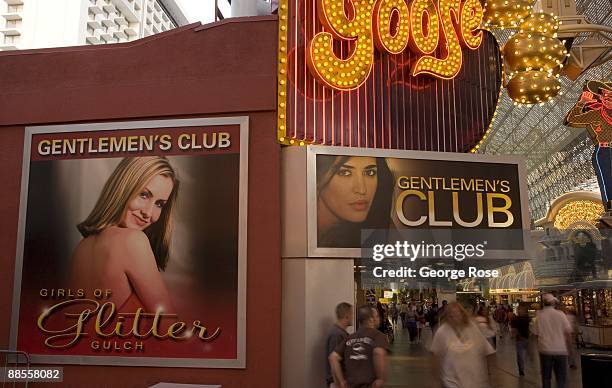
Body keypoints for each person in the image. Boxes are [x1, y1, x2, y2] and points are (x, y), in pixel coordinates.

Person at [71, 156, 179, 313]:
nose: (148, 213)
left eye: (159, 204)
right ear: (123, 188)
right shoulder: (133, 241)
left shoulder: (82, 247)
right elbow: (169, 328)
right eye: (144, 195)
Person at [316, 155, 394, 248]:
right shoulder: (297, 231)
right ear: (317, 178)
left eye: (370, 172)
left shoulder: (384, 232)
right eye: (345, 173)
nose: (362, 189)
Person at [431, 302, 495, 388]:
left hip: (475, 381)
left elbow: (486, 350)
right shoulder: (442, 332)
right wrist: (436, 380)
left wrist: (491, 376)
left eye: (456, 314)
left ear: (462, 314)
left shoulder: (472, 328)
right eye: (451, 315)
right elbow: (436, 355)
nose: (454, 317)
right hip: (451, 382)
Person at [329, 305, 390, 388]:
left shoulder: (349, 338)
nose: (379, 318)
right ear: (371, 319)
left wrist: (341, 382)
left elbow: (333, 358)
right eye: (377, 316)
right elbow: (378, 353)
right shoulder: (378, 336)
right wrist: (380, 378)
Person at [531, 294, 572, 388]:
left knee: (546, 377)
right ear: (553, 303)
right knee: (561, 378)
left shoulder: (539, 315)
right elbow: (567, 333)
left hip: (545, 350)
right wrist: (569, 349)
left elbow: (535, 333)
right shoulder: (560, 314)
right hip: (560, 350)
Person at [326, 302, 353, 387]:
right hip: (337, 382)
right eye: (352, 314)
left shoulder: (341, 334)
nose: (352, 317)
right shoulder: (337, 335)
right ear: (347, 316)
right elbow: (333, 362)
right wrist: (340, 382)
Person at [511, 305, 530, 376]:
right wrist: (517, 335)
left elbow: (529, 327)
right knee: (520, 355)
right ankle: (521, 369)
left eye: (521, 310)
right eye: (518, 310)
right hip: (520, 339)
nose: (519, 311)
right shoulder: (515, 319)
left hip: (527, 338)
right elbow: (514, 329)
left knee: (526, 355)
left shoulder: (527, 318)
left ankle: (523, 368)